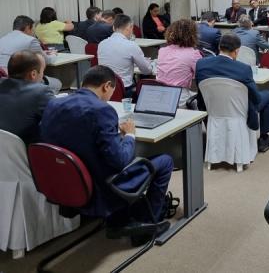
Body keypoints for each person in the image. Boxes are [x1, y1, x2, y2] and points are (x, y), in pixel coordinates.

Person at [40, 66, 173, 233]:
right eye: (112, 92)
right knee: (165, 161)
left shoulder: (54, 103)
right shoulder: (102, 110)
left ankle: (123, 214)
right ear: (106, 86)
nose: (109, 97)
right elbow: (120, 160)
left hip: (68, 180)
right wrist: (130, 136)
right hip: (103, 185)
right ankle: (147, 225)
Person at [195, 33, 269, 152]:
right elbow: (256, 99)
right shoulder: (243, 69)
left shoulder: (201, 64)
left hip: (212, 108)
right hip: (239, 110)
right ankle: (264, 137)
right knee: (268, 95)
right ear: (237, 51)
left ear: (219, 48)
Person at [0, 50, 54, 145]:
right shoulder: (41, 92)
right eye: (42, 72)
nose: (42, 77)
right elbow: (59, 117)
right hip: (24, 153)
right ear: (33, 74)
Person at [0, 15, 62, 93]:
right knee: (57, 83)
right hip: (21, 81)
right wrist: (54, 54)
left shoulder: (2, 39)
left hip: (3, 81)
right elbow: (46, 60)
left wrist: (43, 53)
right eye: (32, 29)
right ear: (28, 27)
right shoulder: (31, 40)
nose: (33, 32)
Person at [98, 14, 153, 97]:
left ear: (113, 28)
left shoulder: (102, 44)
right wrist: (149, 63)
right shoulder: (131, 45)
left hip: (104, 89)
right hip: (124, 90)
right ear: (130, 28)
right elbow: (146, 70)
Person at [156, 19, 202, 106]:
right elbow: (200, 75)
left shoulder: (162, 51)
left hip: (160, 96)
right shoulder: (193, 54)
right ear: (192, 35)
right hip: (180, 98)